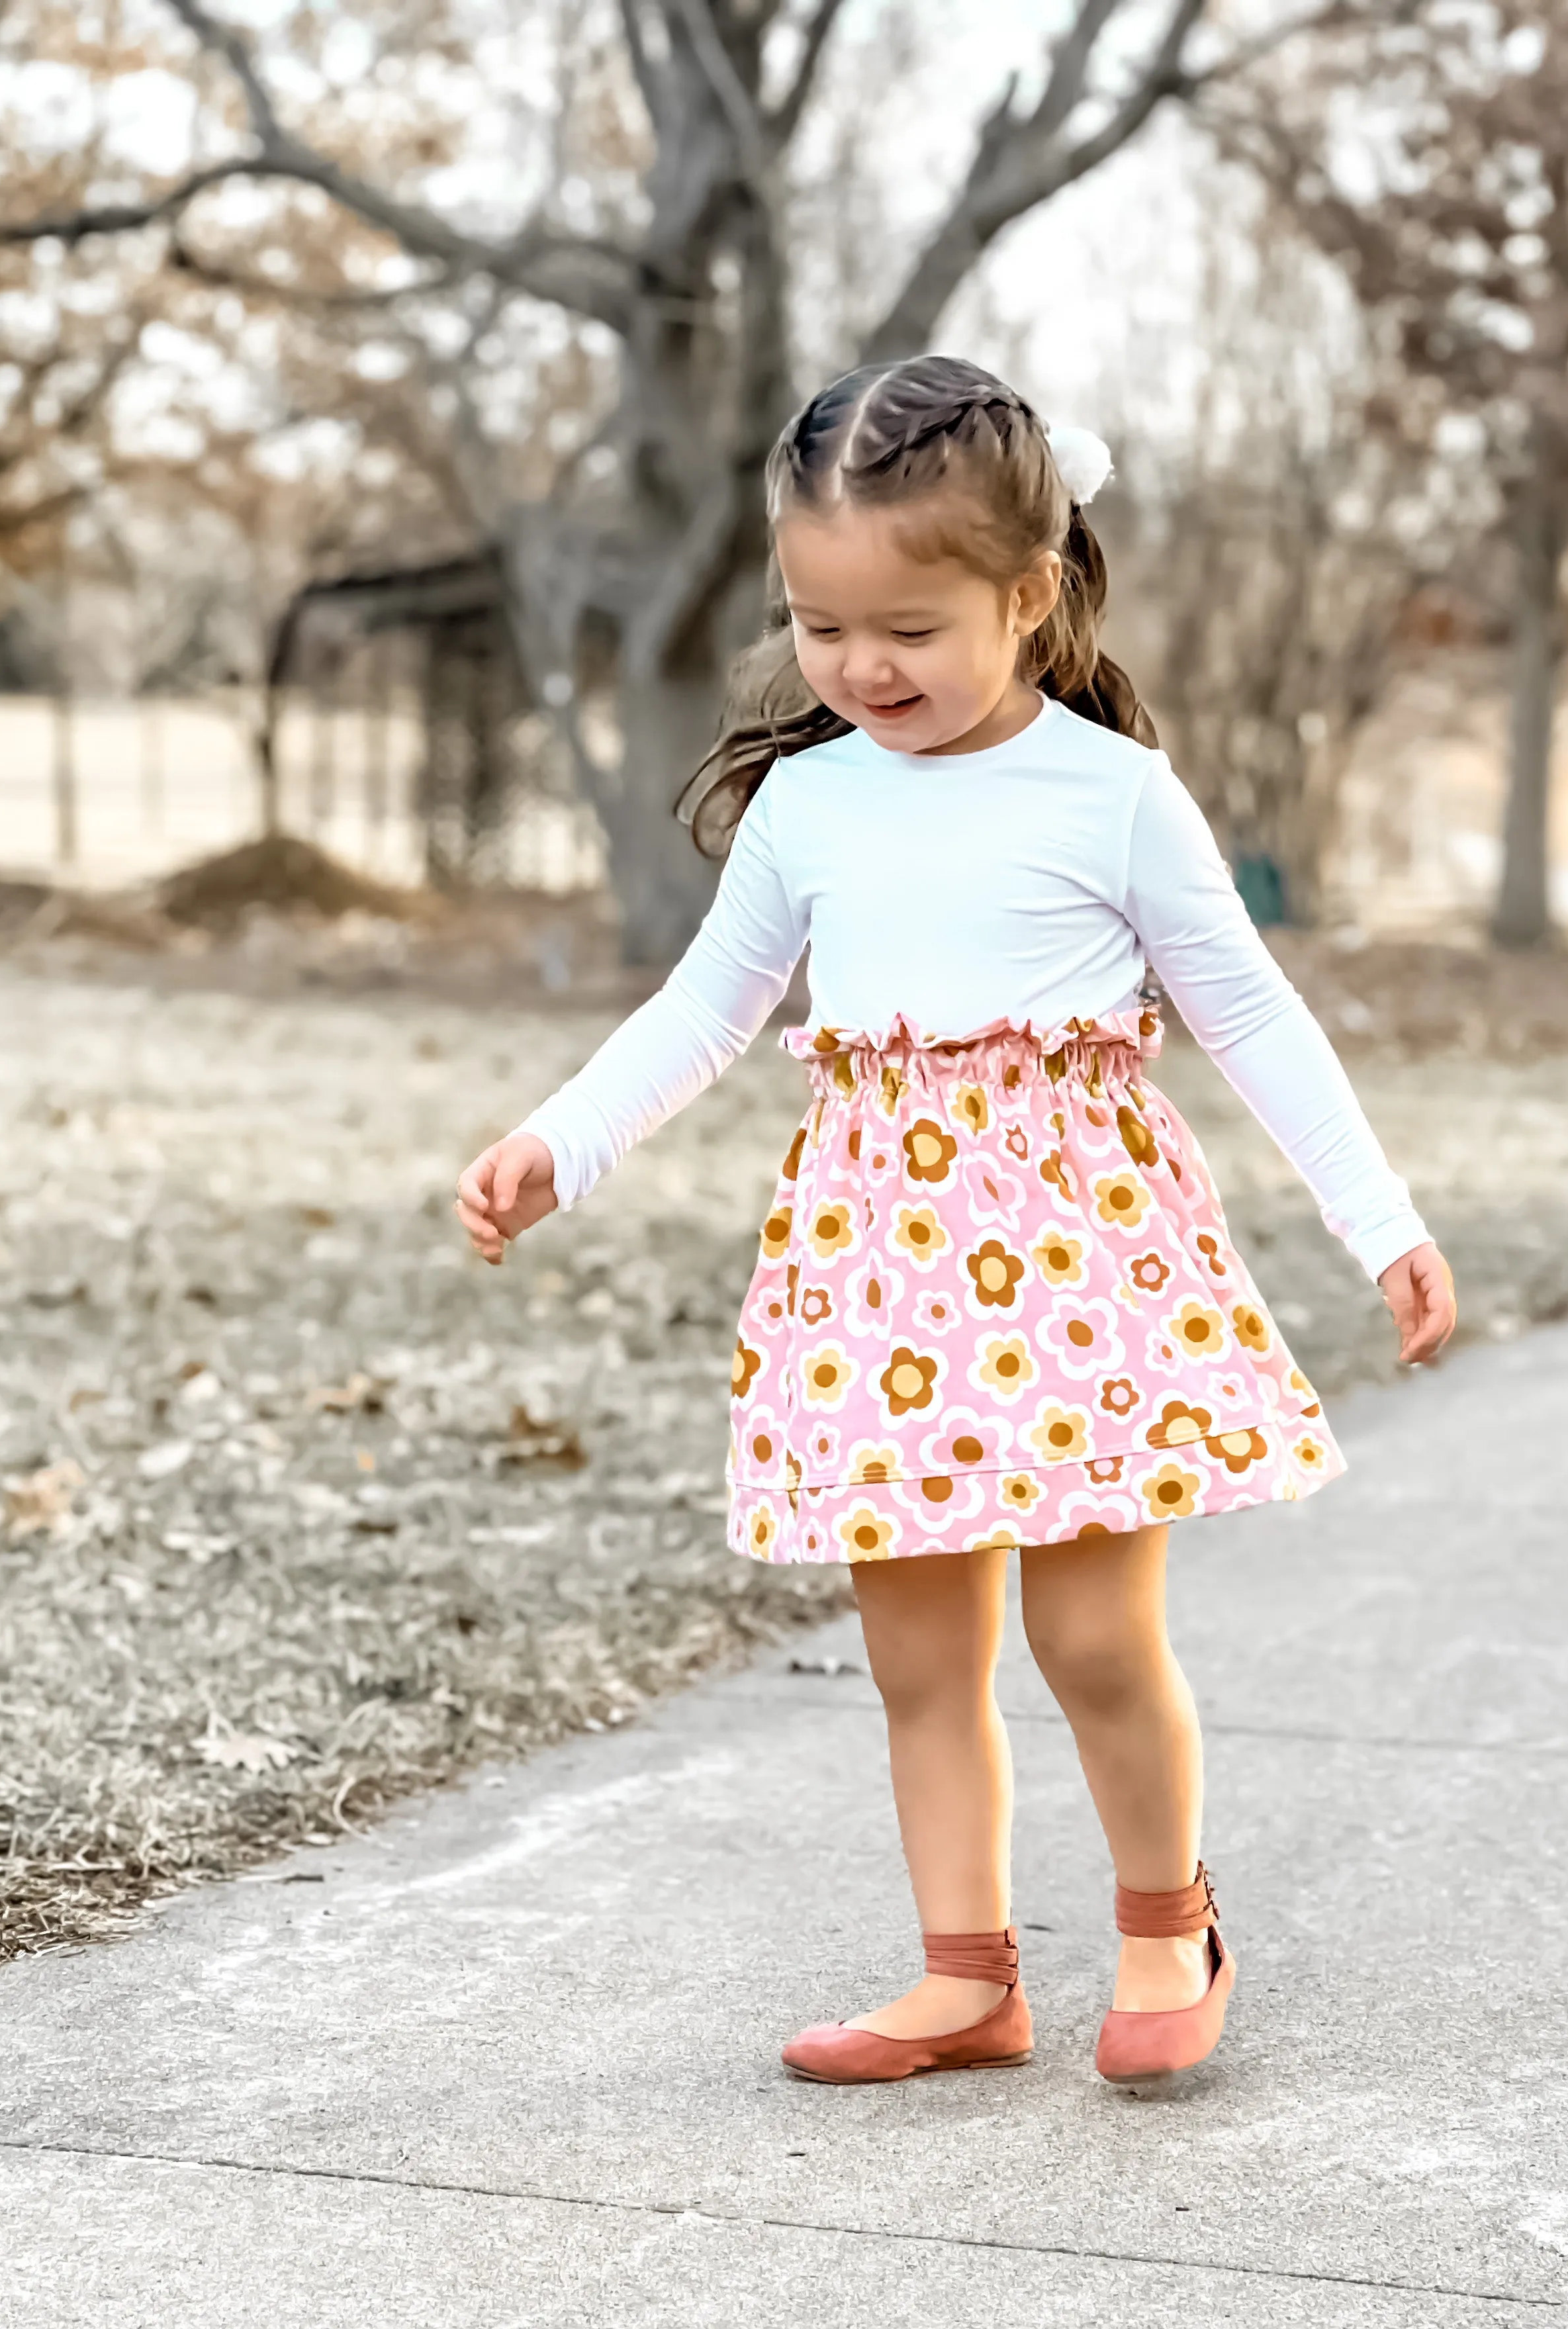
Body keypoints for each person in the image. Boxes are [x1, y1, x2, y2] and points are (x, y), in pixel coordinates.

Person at [456, 355, 1455, 2089]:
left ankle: (1167, 1931)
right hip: (882, 1275)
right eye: (820, 624)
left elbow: (1251, 1016)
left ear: (1029, 591)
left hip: (1079, 1264)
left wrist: (1382, 1224)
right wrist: (563, 1143)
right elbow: (709, 1010)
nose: (858, 669)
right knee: (921, 1658)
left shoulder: (1110, 796)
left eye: (907, 627)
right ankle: (966, 1978)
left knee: (1088, 1638)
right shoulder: (811, 803)